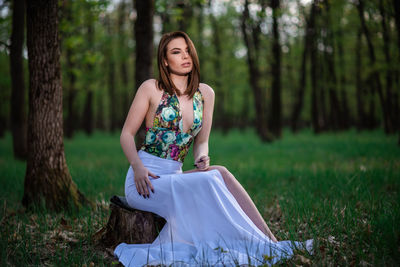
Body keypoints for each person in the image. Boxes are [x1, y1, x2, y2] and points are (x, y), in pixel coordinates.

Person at [114, 31, 312, 266]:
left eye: (188, 50)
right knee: (208, 182)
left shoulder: (205, 94)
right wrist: (137, 167)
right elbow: (126, 134)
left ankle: (270, 241)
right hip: (145, 181)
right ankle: (251, 241)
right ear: (165, 61)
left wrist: (202, 157)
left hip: (176, 176)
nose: (185, 56)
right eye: (176, 52)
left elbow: (201, 142)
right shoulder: (151, 88)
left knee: (222, 173)